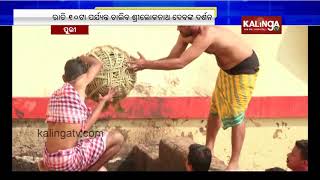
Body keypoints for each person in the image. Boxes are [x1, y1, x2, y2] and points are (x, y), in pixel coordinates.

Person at [129, 26, 259, 170]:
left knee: (236, 114)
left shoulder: (207, 34)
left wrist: (146, 64)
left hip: (243, 68)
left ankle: (234, 162)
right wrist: (146, 64)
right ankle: (209, 148)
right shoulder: (186, 32)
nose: (178, 27)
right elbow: (173, 58)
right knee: (215, 108)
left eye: (181, 24)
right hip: (227, 69)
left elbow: (180, 63)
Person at [40, 55, 124, 171]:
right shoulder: (80, 83)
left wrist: (103, 101)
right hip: (66, 162)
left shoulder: (56, 95)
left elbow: (80, 128)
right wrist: (83, 57)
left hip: (48, 160)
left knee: (96, 159)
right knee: (118, 137)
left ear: (64, 78)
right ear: (84, 76)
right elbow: (97, 64)